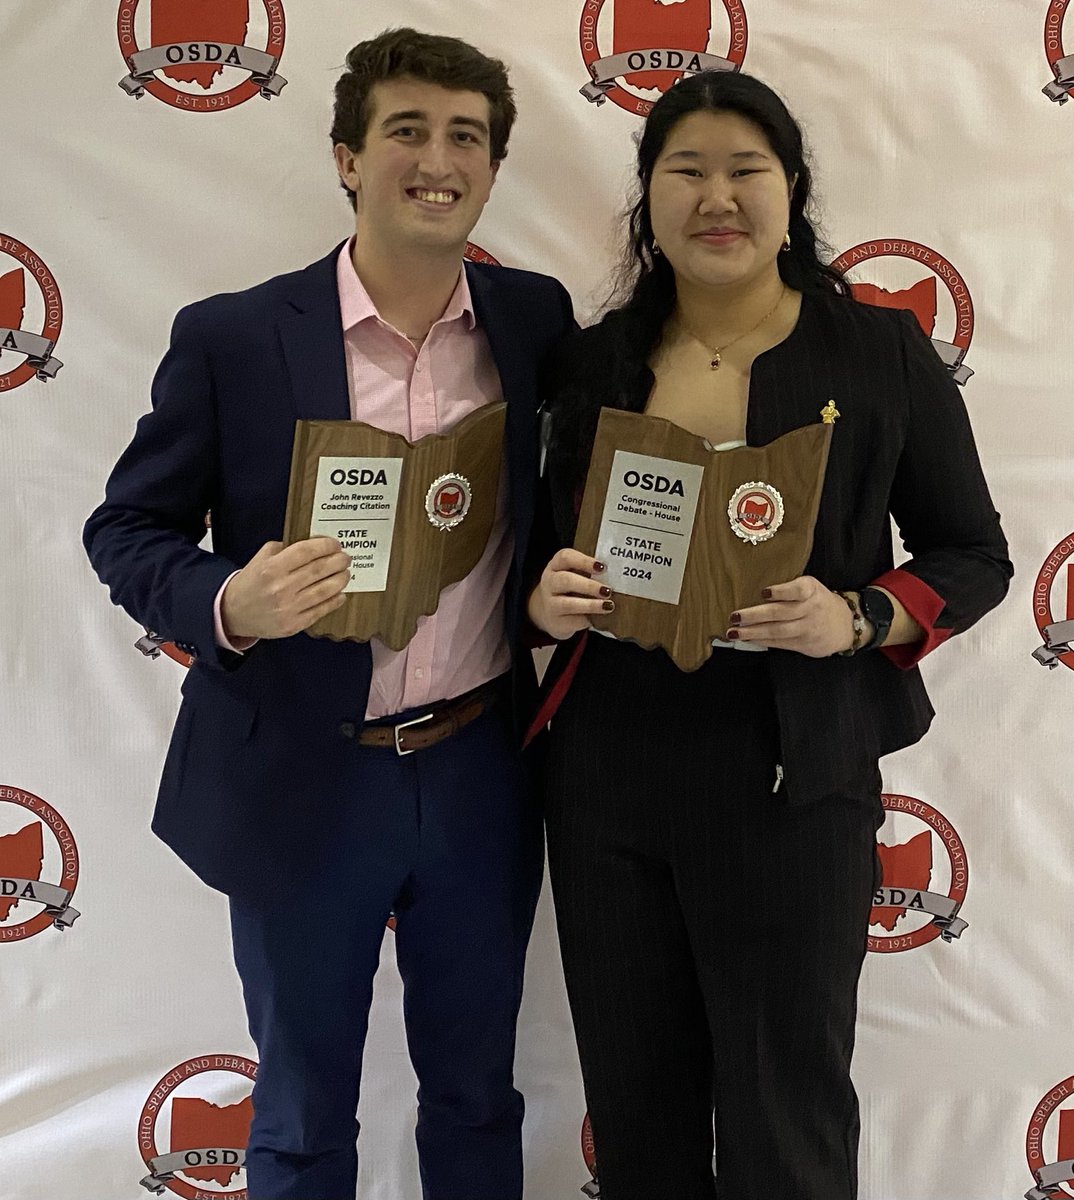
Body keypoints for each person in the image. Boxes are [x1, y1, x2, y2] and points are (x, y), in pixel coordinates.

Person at [84, 28, 573, 1200]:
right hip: (305, 777)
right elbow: (124, 531)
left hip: (478, 773)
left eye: (465, 136)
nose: (436, 158)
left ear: (494, 170)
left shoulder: (536, 323)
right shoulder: (236, 336)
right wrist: (225, 599)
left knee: (476, 1097)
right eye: (405, 130)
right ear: (348, 157)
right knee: (301, 1111)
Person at [526, 71, 1011, 1200]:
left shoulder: (881, 353)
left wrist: (856, 616)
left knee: (783, 1106)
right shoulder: (589, 364)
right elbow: (527, 560)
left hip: (791, 776)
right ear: (647, 198)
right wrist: (540, 603)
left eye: (746, 169)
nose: (716, 197)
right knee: (636, 1109)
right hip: (607, 776)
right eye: (684, 170)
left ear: (791, 191)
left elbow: (971, 554)